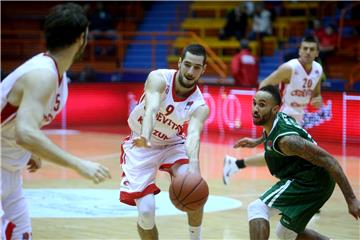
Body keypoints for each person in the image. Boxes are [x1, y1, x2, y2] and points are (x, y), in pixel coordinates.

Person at [1, 3, 111, 239]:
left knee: (21, 234)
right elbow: (25, 132)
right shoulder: (42, 74)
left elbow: (22, 125)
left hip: (10, 171)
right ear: (82, 38)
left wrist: (32, 149)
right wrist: (79, 165)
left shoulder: (56, 75)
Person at [237, 85, 359, 239]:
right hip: (313, 180)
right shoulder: (275, 120)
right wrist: (257, 141)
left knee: (257, 209)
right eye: (254, 103)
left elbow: (330, 160)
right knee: (285, 233)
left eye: (261, 105)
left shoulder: (287, 141)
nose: (255, 109)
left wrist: (351, 199)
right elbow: (272, 133)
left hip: (310, 180)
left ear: (275, 109)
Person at [119, 44, 209, 240]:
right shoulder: (159, 78)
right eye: (187, 64)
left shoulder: (200, 105)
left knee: (194, 188)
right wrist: (145, 135)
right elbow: (151, 107)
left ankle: (196, 238)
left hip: (172, 143)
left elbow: (193, 135)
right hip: (141, 143)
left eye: (196, 67)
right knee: (146, 212)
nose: (190, 71)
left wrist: (194, 167)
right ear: (179, 63)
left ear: (203, 69)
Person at [223, 35, 324, 185]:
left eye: (312, 49)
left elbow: (316, 94)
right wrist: (268, 110)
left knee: (278, 155)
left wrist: (318, 100)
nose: (308, 52)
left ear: (317, 53)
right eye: (305, 48)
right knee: (305, 154)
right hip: (284, 112)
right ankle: (302, 190)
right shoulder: (290, 68)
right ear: (300, 51)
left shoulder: (318, 69)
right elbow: (264, 84)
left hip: (299, 114)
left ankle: (236, 164)